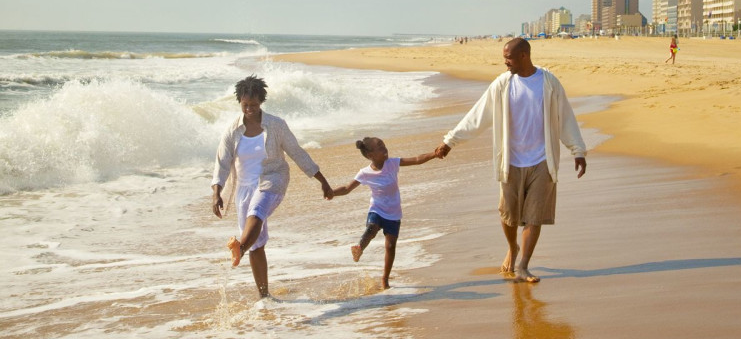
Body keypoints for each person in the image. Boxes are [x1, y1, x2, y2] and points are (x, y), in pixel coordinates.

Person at [434, 37, 587, 283]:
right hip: (511, 160)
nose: (506, 63)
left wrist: (577, 150)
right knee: (508, 216)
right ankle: (512, 247)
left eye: (509, 58)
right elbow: (478, 116)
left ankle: (523, 265)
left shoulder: (548, 83)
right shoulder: (503, 84)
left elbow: (565, 117)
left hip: (542, 161)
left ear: (524, 56)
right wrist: (450, 141)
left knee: (534, 216)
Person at [211, 75, 333, 298]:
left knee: (256, 213)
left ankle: (239, 247)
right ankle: (264, 297)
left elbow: (297, 152)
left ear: (261, 102)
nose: (249, 109)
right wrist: (216, 192)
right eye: (245, 105)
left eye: (254, 105)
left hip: (272, 179)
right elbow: (222, 160)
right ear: (240, 101)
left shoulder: (276, 125)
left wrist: (322, 181)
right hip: (243, 189)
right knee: (257, 245)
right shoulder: (232, 130)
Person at [331, 137, 438, 289]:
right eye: (380, 147)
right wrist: (331, 193)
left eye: (384, 145)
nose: (385, 149)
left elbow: (416, 159)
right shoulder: (365, 173)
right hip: (377, 209)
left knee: (390, 247)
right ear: (370, 155)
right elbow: (347, 188)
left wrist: (434, 154)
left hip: (394, 213)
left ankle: (385, 279)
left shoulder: (392, 163)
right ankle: (360, 248)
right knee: (372, 227)